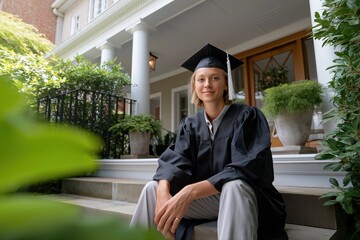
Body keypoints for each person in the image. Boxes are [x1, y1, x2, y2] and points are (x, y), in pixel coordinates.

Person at [130, 43, 288, 240]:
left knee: (234, 185)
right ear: (194, 85)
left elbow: (248, 166)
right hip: (209, 201)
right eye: (201, 79)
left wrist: (191, 190)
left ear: (225, 84)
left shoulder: (247, 116)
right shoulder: (190, 125)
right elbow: (174, 160)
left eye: (215, 78)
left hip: (247, 200)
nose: (207, 84)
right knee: (151, 188)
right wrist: (163, 190)